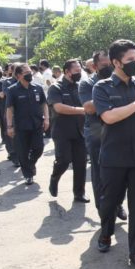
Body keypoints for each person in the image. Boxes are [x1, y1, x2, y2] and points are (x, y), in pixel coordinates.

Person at [92, 39, 135, 269]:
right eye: (130, 59)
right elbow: (109, 117)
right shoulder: (102, 87)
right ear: (116, 62)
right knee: (109, 201)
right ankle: (106, 233)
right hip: (113, 156)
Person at [78, 50, 127, 221]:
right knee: (100, 173)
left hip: (119, 130)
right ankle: (103, 210)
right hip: (96, 132)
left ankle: (118, 203)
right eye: (104, 65)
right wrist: (109, 98)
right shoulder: (87, 83)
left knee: (121, 171)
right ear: (95, 65)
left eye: (110, 64)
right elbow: (89, 108)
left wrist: (106, 100)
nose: (108, 67)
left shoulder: (120, 80)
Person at [47, 59, 88, 203]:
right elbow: (59, 108)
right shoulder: (56, 88)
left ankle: (79, 193)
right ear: (67, 72)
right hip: (62, 131)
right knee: (63, 161)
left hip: (80, 131)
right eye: (76, 70)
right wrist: (83, 110)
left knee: (80, 163)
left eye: (80, 70)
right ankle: (54, 178)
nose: (79, 73)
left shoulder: (80, 87)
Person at [5, 63, 49, 185]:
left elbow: (44, 104)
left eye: (30, 72)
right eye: (26, 73)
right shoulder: (12, 90)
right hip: (21, 126)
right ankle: (28, 175)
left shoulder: (37, 87)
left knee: (39, 148)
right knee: (22, 152)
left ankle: (30, 164)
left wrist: (47, 119)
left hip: (37, 124)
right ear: (19, 75)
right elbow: (9, 109)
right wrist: (9, 126)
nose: (30, 74)